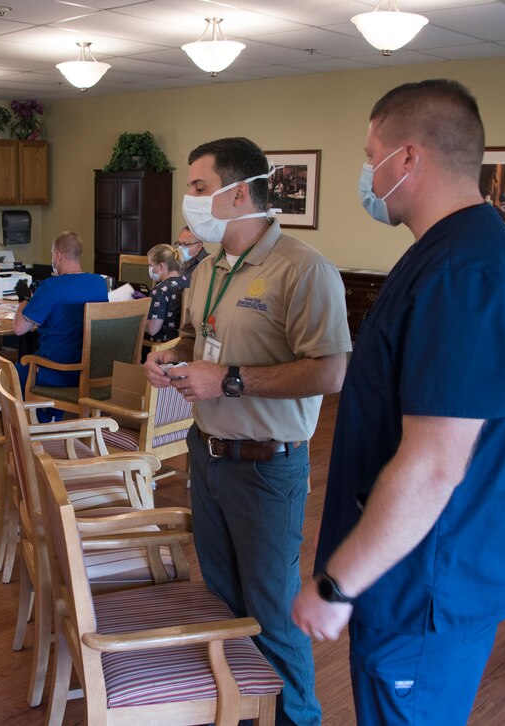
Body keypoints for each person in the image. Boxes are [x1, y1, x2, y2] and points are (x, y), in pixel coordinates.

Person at [292, 80, 505, 724]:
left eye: (370, 152)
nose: (366, 169)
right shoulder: (440, 257)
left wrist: (337, 581)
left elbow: (435, 463)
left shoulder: (468, 275)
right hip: (402, 579)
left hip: (424, 586)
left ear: (406, 158)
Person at [144, 137, 351, 725]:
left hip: (265, 464)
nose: (189, 200)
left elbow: (330, 372)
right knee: (225, 599)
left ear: (239, 194)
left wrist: (228, 381)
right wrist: (169, 355)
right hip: (205, 454)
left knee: (273, 609)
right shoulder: (207, 267)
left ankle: (297, 718)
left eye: (199, 188)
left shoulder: (303, 269)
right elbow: (195, 339)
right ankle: (245, 711)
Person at [12, 231, 108, 421]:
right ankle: (50, 418)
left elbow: (19, 328)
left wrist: (23, 299)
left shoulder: (51, 287)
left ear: (58, 256)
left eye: (51, 255)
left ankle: (27, 430)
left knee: (10, 374)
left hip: (58, 372)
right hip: (93, 371)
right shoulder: (99, 283)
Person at [144, 243, 189, 343]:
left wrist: (138, 321)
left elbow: (152, 330)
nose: (150, 269)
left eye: (151, 265)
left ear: (161, 266)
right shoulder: (187, 281)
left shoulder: (160, 290)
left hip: (160, 345)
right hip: (181, 341)